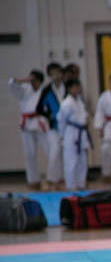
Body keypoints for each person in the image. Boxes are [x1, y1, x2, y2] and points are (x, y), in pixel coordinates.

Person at [8, 70, 48, 190]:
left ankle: (53, 179)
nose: (32, 82)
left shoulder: (44, 92)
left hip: (40, 122)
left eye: (35, 79)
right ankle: (33, 181)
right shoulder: (24, 90)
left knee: (50, 151)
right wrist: (20, 80)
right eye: (31, 79)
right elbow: (12, 85)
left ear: (40, 81)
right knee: (29, 154)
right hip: (27, 124)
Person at [36, 62, 67, 190]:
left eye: (58, 73)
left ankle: (62, 179)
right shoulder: (47, 90)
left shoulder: (67, 87)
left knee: (66, 154)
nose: (56, 76)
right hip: (53, 126)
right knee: (54, 153)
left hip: (68, 126)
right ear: (49, 75)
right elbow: (39, 108)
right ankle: (50, 179)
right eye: (53, 74)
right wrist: (48, 115)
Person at [57, 79, 92, 191]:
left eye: (78, 87)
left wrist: (86, 120)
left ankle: (81, 184)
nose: (78, 89)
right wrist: (62, 135)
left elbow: (85, 115)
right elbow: (61, 120)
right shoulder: (66, 103)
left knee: (82, 161)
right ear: (69, 89)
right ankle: (71, 186)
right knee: (71, 161)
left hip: (81, 132)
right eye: (75, 87)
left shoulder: (79, 101)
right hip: (71, 133)